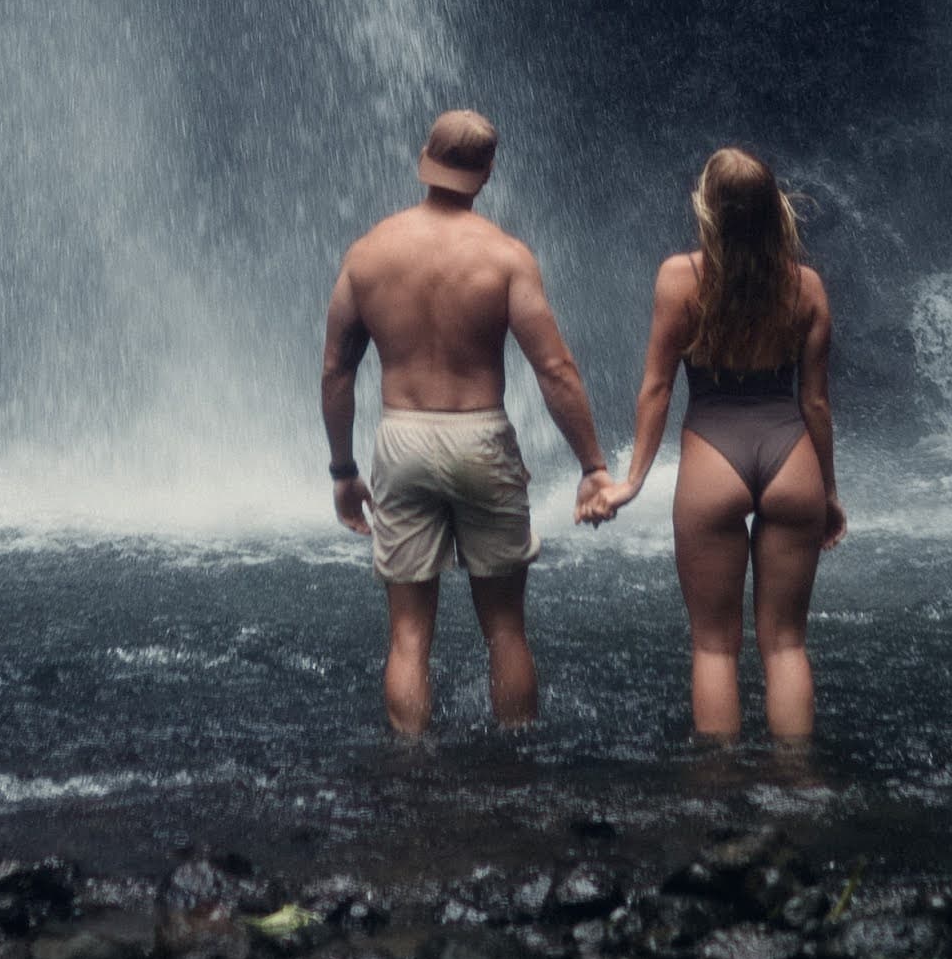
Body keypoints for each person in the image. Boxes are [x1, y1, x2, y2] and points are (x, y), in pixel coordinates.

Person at [320, 106, 618, 734]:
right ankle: (515, 768)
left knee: (406, 636)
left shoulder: (369, 253)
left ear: (425, 159)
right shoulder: (505, 257)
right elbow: (556, 369)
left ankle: (411, 770)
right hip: (480, 434)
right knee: (506, 629)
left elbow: (336, 372)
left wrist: (343, 469)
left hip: (401, 437)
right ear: (486, 174)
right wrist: (592, 465)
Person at [583, 145, 841, 743]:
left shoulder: (681, 278)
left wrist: (631, 481)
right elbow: (816, 404)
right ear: (775, 210)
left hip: (711, 459)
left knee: (714, 649)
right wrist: (827, 493)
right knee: (785, 647)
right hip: (790, 457)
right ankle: (794, 781)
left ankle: (718, 789)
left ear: (709, 211)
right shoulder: (806, 288)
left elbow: (657, 387)